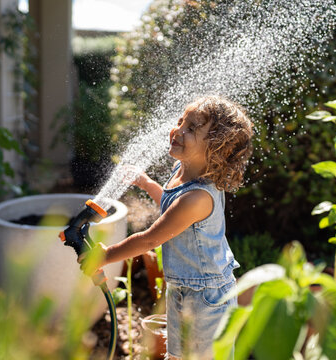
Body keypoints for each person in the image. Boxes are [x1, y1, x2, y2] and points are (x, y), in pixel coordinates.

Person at [79, 95, 253, 359]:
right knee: (176, 355)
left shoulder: (198, 198)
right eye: (181, 121)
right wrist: (148, 183)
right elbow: (172, 211)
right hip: (181, 288)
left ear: (216, 147)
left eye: (192, 128)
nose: (179, 130)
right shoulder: (180, 172)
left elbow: (150, 239)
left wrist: (105, 256)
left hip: (208, 297)